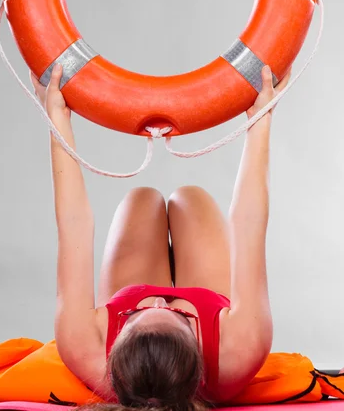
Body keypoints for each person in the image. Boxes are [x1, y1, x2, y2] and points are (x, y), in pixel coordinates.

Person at [30, 63, 291, 410]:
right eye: (180, 317)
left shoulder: (82, 346)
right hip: (210, 298)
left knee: (142, 199)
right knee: (189, 198)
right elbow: (249, 224)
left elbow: (74, 224)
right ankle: (170, 320)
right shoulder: (240, 351)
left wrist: (57, 121)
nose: (159, 302)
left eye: (135, 318)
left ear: (112, 360)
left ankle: (154, 323)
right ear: (200, 368)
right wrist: (260, 120)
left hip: (129, 289)